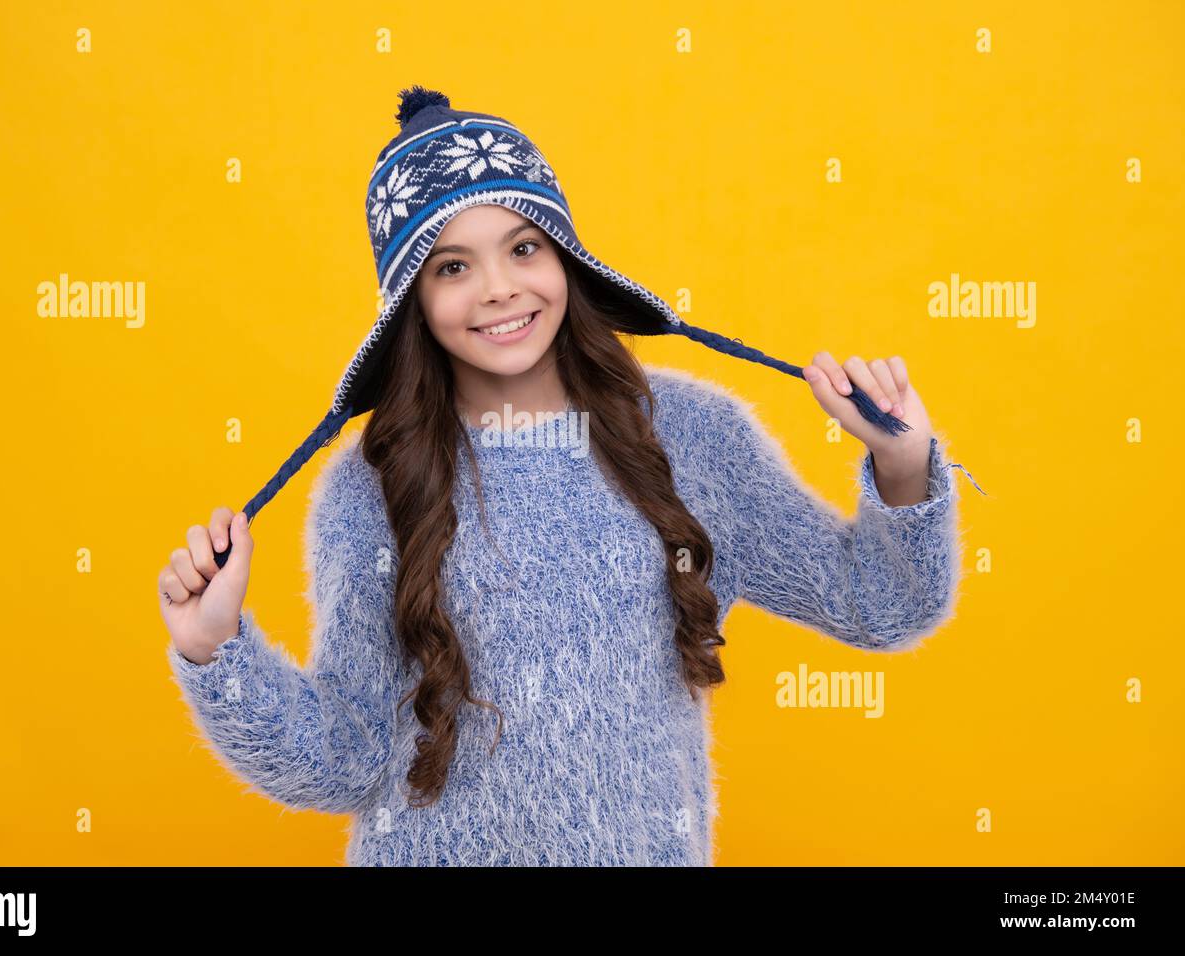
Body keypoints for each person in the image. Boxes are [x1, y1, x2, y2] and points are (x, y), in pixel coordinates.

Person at [156, 87, 976, 866]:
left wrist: (902, 466)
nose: (500, 288)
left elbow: (881, 607)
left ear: (566, 259)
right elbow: (345, 761)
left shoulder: (688, 436)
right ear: (413, 300)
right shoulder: (370, 488)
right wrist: (213, 652)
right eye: (451, 267)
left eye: (523, 247)